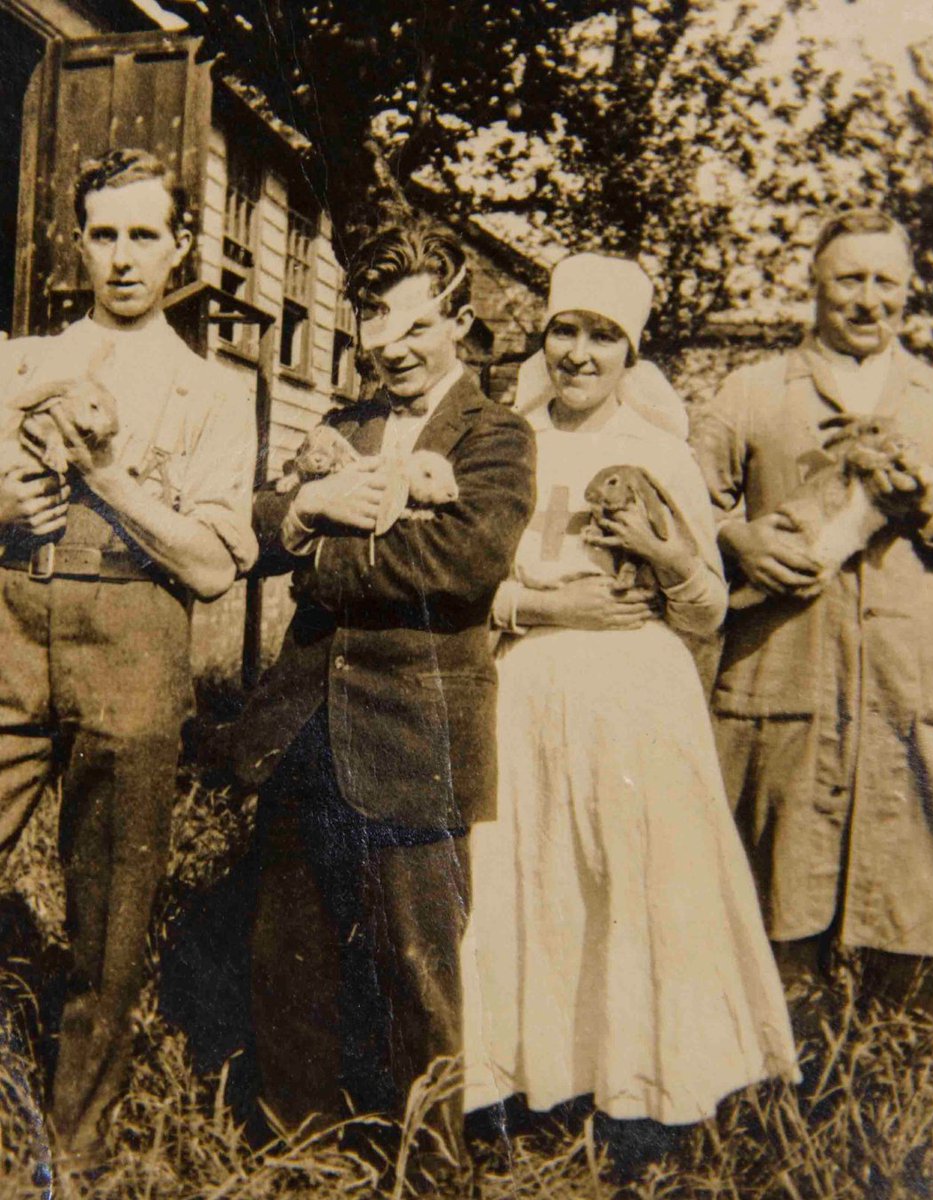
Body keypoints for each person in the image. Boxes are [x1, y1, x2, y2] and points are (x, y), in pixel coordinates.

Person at [460, 253, 798, 1165]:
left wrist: (671, 554)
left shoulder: (660, 453)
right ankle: (524, 1084)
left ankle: (647, 1093)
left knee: (634, 879)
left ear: (630, 350)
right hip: (525, 684)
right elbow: (464, 582)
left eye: (602, 336)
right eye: (564, 331)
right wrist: (541, 606)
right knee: (524, 875)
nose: (578, 354)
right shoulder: (502, 440)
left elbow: (704, 610)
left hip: (636, 695)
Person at [236, 220, 536, 1176]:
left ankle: (433, 1168)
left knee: (420, 971)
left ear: (460, 322)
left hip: (419, 735)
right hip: (306, 728)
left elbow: (458, 564)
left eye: (414, 326)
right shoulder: (348, 420)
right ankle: (299, 1153)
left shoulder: (498, 435)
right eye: (375, 321)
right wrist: (303, 511)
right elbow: (258, 521)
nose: (391, 347)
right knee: (292, 956)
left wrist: (319, 561)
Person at [0, 148, 257, 1164]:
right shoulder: (17, 362)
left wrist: (109, 477)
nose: (121, 257)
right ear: (78, 241)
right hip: (10, 628)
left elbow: (208, 569)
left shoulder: (214, 391)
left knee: (109, 917)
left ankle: (75, 1147)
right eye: (103, 233)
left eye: (144, 234)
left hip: (136, 643)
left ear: (182, 249)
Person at [690, 209, 933, 1018]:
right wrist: (735, 540)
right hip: (784, 679)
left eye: (885, 281)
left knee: (918, 884)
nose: (869, 299)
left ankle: (901, 1085)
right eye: (850, 279)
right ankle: (773, 1087)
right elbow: (678, 507)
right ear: (814, 283)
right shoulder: (752, 391)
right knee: (777, 894)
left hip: (916, 686)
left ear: (909, 291)